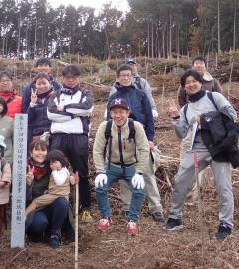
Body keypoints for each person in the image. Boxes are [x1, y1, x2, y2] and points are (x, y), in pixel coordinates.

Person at [164, 69, 236, 241]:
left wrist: (205, 118)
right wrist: (175, 118)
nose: (191, 84)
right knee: (181, 178)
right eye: (186, 83)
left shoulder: (214, 97)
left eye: (193, 81)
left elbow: (232, 115)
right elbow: (181, 133)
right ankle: (175, 217)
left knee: (223, 185)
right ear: (184, 87)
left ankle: (225, 224)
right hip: (198, 147)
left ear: (201, 82)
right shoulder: (186, 108)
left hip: (219, 146)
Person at [106, 64, 164, 222]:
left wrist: (150, 138)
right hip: (122, 139)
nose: (125, 77)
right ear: (117, 78)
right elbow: (108, 120)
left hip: (142, 137)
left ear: (132, 77)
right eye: (122, 75)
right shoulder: (114, 97)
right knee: (126, 173)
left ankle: (156, 207)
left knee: (146, 172)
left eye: (128, 75)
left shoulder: (140, 94)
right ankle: (128, 207)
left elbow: (149, 118)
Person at [94, 98, 148, 236]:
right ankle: (106, 217)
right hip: (112, 166)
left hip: (132, 166)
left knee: (139, 191)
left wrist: (139, 172)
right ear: (110, 113)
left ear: (128, 112)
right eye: (115, 112)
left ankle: (132, 220)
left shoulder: (136, 127)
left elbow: (144, 149)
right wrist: (100, 171)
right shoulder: (105, 127)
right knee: (100, 188)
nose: (118, 115)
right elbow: (98, 150)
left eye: (122, 112)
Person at [47, 64, 94, 222]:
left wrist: (64, 108)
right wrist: (73, 115)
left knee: (81, 172)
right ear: (63, 78)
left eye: (74, 77)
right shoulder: (55, 94)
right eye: (68, 77)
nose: (71, 80)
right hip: (58, 136)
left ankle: (85, 208)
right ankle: (54, 205)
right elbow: (51, 113)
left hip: (78, 137)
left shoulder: (86, 93)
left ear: (79, 78)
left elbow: (87, 108)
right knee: (55, 170)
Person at [176, 55, 223, 202]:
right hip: (192, 125)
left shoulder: (212, 82)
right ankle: (187, 189)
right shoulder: (186, 82)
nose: (199, 66)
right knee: (188, 156)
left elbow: (219, 100)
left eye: (201, 64)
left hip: (212, 129)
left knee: (209, 159)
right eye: (196, 64)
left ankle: (199, 190)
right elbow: (181, 99)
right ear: (193, 66)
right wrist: (188, 114)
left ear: (205, 66)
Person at [25, 140, 71, 249]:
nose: (40, 153)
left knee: (62, 202)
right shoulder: (24, 168)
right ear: (31, 153)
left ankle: (55, 234)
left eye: (43, 150)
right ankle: (38, 233)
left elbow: (66, 178)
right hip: (36, 209)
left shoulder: (54, 166)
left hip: (53, 206)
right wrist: (29, 184)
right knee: (40, 223)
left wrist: (72, 179)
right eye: (37, 150)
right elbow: (24, 199)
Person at [26, 150, 75, 216]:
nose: (53, 165)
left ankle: (24, 215)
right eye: (51, 164)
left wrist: (54, 172)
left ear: (61, 161)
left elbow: (59, 182)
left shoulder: (62, 171)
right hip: (54, 193)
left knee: (36, 202)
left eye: (56, 162)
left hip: (57, 195)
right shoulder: (61, 170)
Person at [26, 73, 54, 147]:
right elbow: (28, 120)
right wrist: (32, 103)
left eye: (44, 83)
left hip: (53, 136)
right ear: (35, 85)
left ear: (50, 83)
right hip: (37, 136)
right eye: (39, 84)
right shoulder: (34, 99)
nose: (41, 86)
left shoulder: (56, 97)